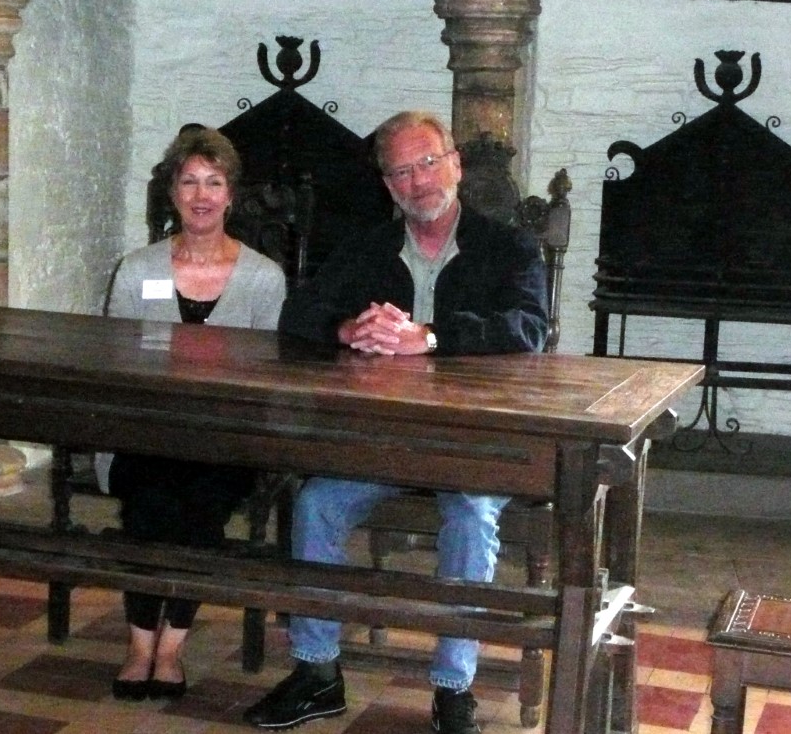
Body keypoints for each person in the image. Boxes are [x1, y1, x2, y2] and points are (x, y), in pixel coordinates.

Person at [242, 111, 548, 734]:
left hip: (474, 440)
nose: (418, 182)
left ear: (455, 164)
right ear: (387, 184)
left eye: (428, 163)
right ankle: (317, 672)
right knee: (317, 505)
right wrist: (344, 329)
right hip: (382, 438)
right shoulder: (365, 246)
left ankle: (454, 687)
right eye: (401, 172)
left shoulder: (509, 246)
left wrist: (429, 337)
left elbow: (530, 331)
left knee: (469, 515)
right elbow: (298, 314)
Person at [105, 126, 286, 702]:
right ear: (172, 192)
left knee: (199, 511)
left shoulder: (263, 277)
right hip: (148, 429)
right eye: (189, 182)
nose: (201, 195)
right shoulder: (137, 269)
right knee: (149, 501)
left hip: (225, 437)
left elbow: (268, 376)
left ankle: (171, 645)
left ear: (231, 195)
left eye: (214, 182)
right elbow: (115, 362)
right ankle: (139, 644)